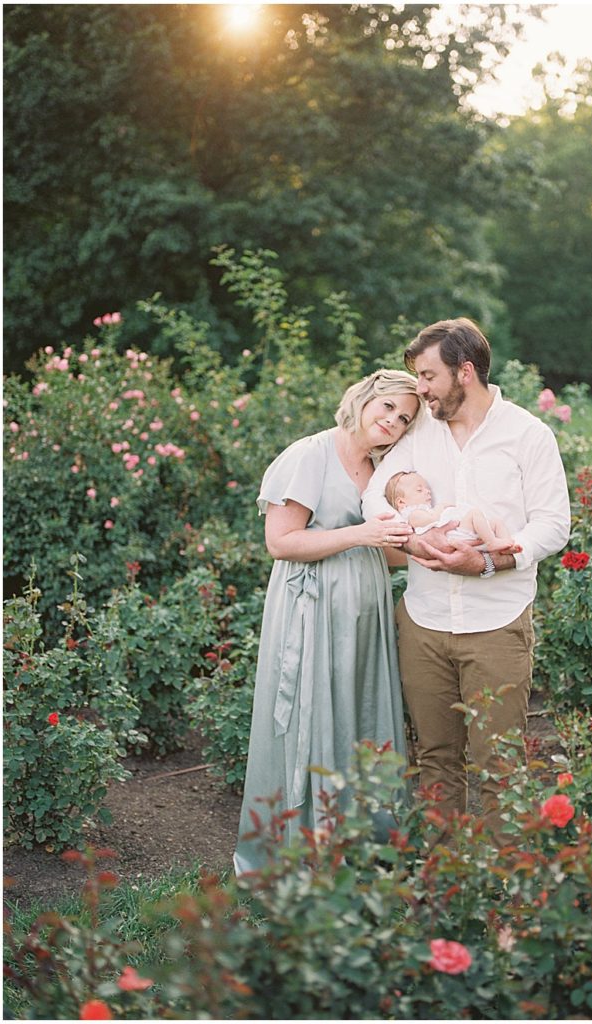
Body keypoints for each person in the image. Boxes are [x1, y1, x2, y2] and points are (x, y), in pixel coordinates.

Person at [362, 318, 570, 848]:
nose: (420, 389)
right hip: (424, 622)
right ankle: (447, 885)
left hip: (496, 624)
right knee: (435, 759)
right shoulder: (418, 432)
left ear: (466, 372)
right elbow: (376, 495)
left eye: (428, 376)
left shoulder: (527, 434)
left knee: (498, 764)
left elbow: (552, 525)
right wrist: (412, 543)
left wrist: (487, 563)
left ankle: (509, 896)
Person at [233, 369, 421, 875]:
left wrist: (438, 545)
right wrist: (363, 533)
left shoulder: (383, 469)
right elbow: (282, 543)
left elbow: (384, 548)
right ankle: (300, 850)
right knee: (312, 720)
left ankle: (361, 843)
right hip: (312, 614)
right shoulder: (310, 455)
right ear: (364, 399)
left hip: (366, 616)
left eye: (404, 418)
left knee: (361, 714)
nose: (393, 421)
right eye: (387, 408)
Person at [384, 469, 518, 553]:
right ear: (401, 502)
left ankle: (507, 544)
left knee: (495, 522)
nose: (427, 491)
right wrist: (440, 507)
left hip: (458, 531)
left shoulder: (425, 509)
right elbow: (432, 520)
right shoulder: (413, 514)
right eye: (419, 490)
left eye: (427, 488)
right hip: (455, 536)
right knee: (474, 514)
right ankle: (491, 542)